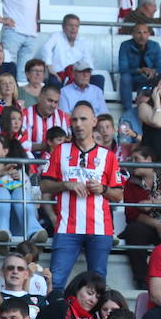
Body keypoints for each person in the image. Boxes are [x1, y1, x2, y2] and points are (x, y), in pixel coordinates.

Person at [39, 102, 122, 287]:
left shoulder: (108, 156)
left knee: (97, 285)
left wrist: (103, 189)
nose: (77, 124)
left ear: (94, 121)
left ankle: (93, 317)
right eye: (74, 119)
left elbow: (118, 195)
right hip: (67, 228)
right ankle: (55, 316)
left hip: (100, 229)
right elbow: (44, 185)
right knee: (56, 282)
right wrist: (65, 184)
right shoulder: (60, 151)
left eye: (83, 119)